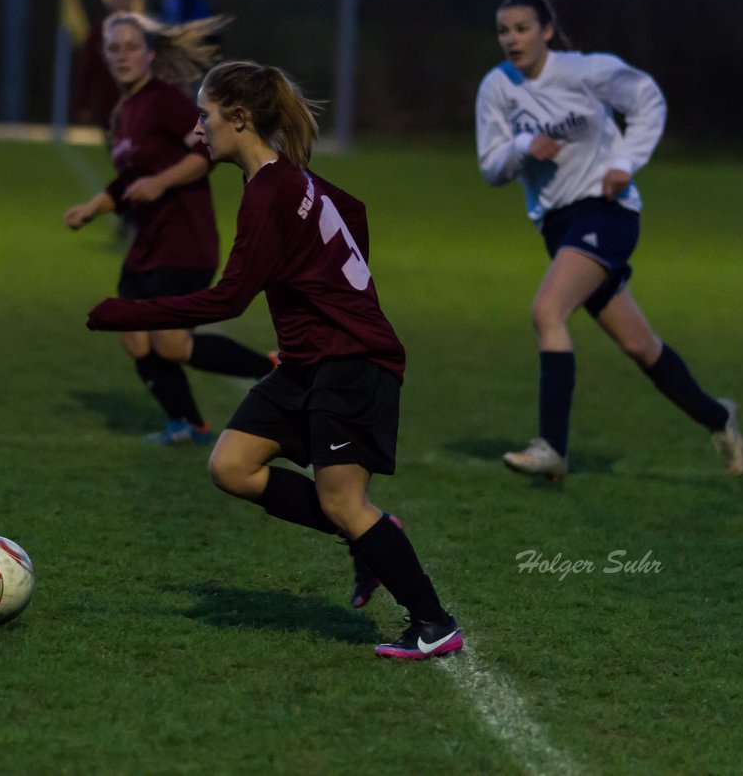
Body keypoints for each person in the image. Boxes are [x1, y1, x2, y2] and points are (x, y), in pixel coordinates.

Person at [87, 61, 464, 660]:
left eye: (205, 116)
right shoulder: (289, 179)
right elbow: (354, 212)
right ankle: (368, 539)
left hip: (352, 361)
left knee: (344, 501)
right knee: (231, 467)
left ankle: (434, 623)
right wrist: (318, 307)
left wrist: (128, 312)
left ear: (239, 118)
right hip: (309, 360)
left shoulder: (269, 192)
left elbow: (228, 298)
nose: (197, 129)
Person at [475, 0, 743, 481]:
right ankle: (718, 417)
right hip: (559, 227)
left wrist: (624, 163)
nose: (511, 39)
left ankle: (552, 449)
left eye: (522, 28)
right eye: (503, 30)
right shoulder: (497, 87)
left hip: (607, 211)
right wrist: (520, 145)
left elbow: (647, 98)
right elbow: (491, 168)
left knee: (547, 311)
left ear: (547, 31)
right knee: (640, 346)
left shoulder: (585, 71)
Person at [65, 13, 274, 445]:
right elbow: (127, 181)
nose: (122, 56)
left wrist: (160, 182)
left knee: (171, 344)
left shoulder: (164, 101)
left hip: (183, 242)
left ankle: (276, 370)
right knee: (135, 339)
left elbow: (206, 151)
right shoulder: (125, 111)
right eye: (114, 49)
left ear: (150, 54)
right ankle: (188, 424)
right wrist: (92, 209)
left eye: (130, 47)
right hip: (147, 247)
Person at [71, 0, 147, 130]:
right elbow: (87, 67)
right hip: (107, 102)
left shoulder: (142, 28)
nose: (119, 0)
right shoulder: (100, 30)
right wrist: (82, 102)